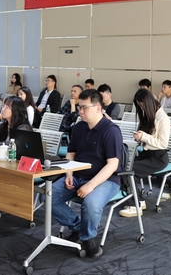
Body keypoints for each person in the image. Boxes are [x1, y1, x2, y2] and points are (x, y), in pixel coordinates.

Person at [50, 89, 123, 258]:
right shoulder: (78, 127)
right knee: (48, 196)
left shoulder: (111, 130)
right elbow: (71, 154)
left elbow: (112, 165)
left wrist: (91, 185)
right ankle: (79, 228)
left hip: (106, 180)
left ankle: (88, 238)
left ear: (98, 108)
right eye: (79, 107)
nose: (80, 111)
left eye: (84, 108)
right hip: (77, 175)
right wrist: (69, 174)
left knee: (91, 204)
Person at [119, 89, 170, 217]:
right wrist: (139, 137)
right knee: (122, 166)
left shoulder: (163, 118)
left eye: (142, 105)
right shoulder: (148, 115)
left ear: (148, 103)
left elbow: (163, 144)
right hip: (146, 155)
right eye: (140, 106)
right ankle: (138, 201)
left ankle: (136, 204)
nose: (142, 108)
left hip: (158, 158)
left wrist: (144, 137)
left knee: (128, 170)